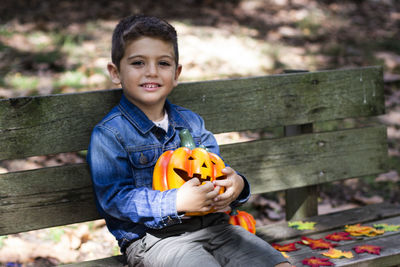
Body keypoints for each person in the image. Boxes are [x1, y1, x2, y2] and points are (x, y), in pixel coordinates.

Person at [87, 14, 291, 267]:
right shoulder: (111, 134)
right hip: (154, 241)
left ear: (176, 73)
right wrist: (175, 202)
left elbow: (215, 171)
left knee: (280, 265)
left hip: (217, 229)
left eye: (163, 63)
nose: (151, 72)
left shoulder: (192, 124)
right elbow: (116, 199)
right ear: (115, 72)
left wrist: (236, 186)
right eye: (138, 63)